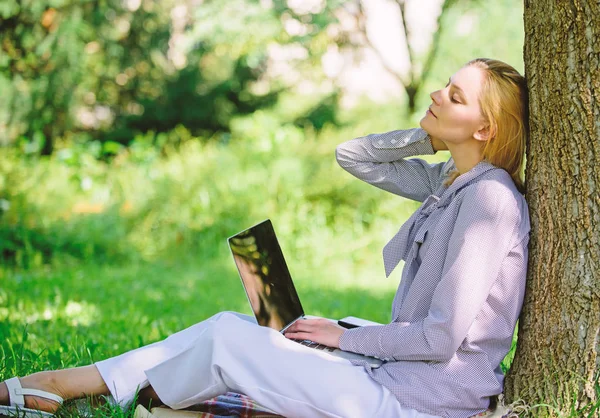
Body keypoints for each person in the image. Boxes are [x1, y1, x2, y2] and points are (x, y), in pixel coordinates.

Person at [0, 58, 530, 418]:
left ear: (484, 129)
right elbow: (354, 155)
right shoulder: (450, 183)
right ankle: (76, 384)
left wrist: (343, 338)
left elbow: (440, 339)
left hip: (420, 403)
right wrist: (431, 130)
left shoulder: (489, 201)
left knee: (231, 343)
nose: (438, 93)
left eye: (454, 96)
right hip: (397, 376)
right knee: (232, 325)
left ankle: (146, 400)